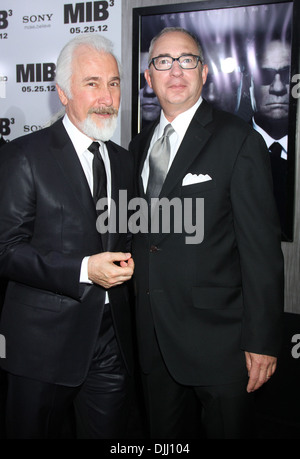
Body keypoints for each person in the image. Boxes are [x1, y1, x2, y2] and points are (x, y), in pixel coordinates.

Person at [129, 27, 284, 439]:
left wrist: (264, 340)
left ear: (205, 72)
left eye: (187, 60)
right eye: (163, 61)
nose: (175, 70)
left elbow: (261, 251)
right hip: (154, 342)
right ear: (149, 77)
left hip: (222, 344)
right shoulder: (137, 145)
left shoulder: (239, 140)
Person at [0, 34, 135, 439]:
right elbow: (5, 250)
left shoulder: (125, 161)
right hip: (43, 346)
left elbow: (128, 239)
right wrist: (83, 269)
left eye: (113, 83)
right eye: (92, 83)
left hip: (112, 340)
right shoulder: (24, 156)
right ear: (62, 92)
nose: (106, 96)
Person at [250, 39, 291, 239]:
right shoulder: (226, 147)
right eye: (266, 76)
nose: (278, 87)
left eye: (286, 74)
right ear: (252, 81)